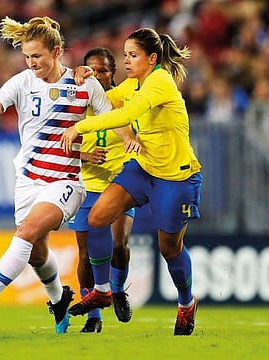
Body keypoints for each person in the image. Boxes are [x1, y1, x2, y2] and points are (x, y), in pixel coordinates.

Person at [0, 16, 134, 334]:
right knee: (36, 252)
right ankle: (59, 298)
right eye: (27, 56)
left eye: (37, 56)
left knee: (25, 233)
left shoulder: (83, 84)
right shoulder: (21, 82)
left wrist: (128, 138)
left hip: (65, 182)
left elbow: (111, 116)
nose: (31, 62)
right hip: (28, 180)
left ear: (56, 51)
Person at [61, 28, 202, 336]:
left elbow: (128, 113)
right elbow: (100, 100)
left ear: (152, 58)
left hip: (176, 176)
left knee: (169, 249)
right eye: (124, 54)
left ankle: (186, 303)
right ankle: (103, 290)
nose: (127, 60)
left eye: (133, 55)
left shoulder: (160, 82)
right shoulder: (132, 83)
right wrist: (76, 80)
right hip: (143, 169)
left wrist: (80, 127)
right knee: (97, 218)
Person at [67, 47, 137, 333]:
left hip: (119, 184)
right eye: (91, 70)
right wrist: (86, 156)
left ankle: (117, 289)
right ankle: (93, 315)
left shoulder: (125, 102)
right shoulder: (76, 103)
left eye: (104, 70)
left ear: (113, 73)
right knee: (85, 255)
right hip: (86, 186)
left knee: (118, 244)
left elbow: (137, 137)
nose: (97, 75)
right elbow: (61, 144)